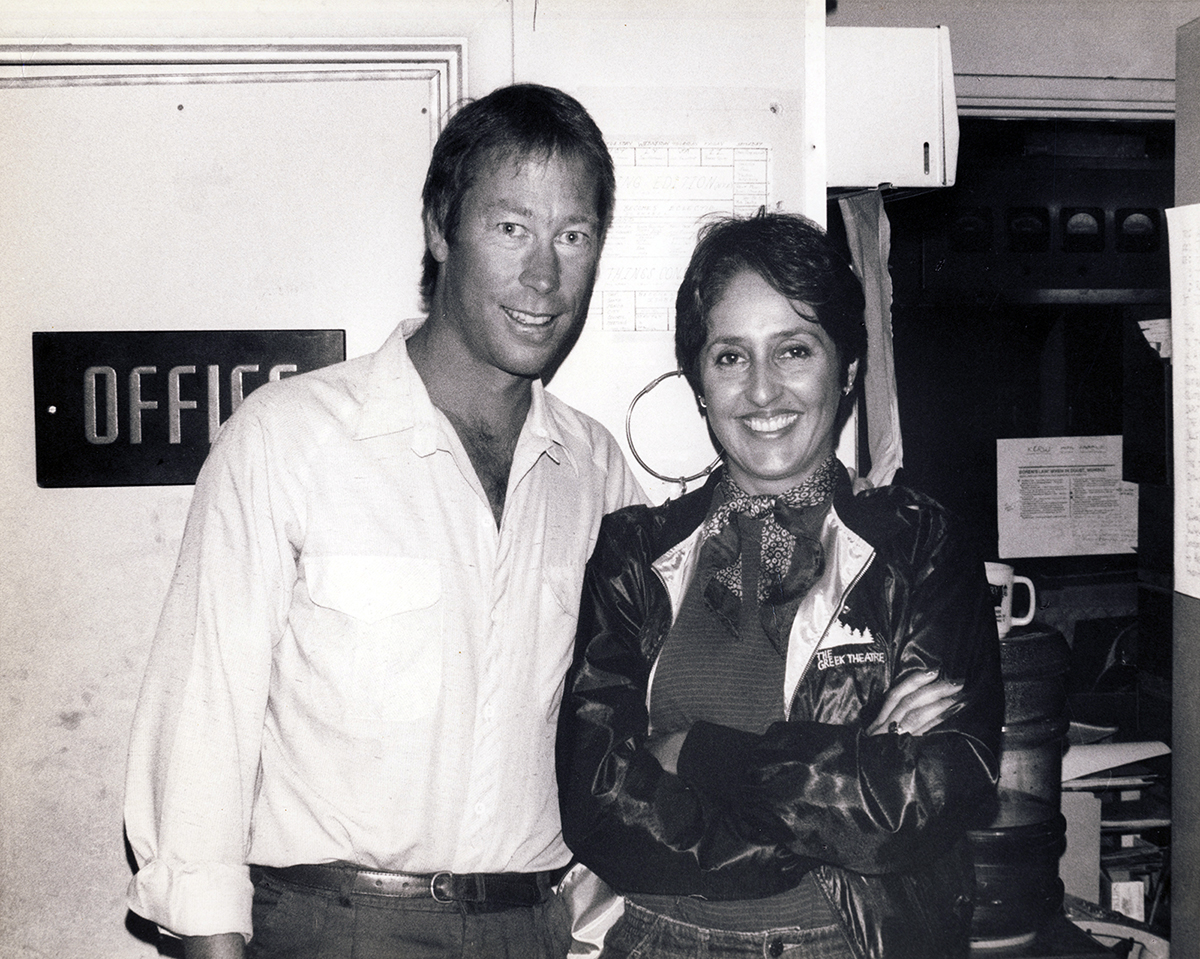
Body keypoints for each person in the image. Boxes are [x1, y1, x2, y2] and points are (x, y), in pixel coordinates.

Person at [124, 83, 646, 959]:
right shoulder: (287, 441)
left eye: (574, 234)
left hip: (532, 928)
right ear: (441, 228)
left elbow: (627, 737)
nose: (545, 275)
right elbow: (201, 734)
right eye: (511, 227)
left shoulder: (597, 476)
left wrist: (585, 925)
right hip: (334, 928)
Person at [555, 211, 1003, 959]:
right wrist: (841, 777)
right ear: (700, 382)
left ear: (848, 370)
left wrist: (696, 754)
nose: (762, 391)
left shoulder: (920, 544)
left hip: (853, 944)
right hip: (662, 941)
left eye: (794, 350)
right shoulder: (635, 550)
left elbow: (930, 792)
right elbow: (595, 799)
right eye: (731, 356)